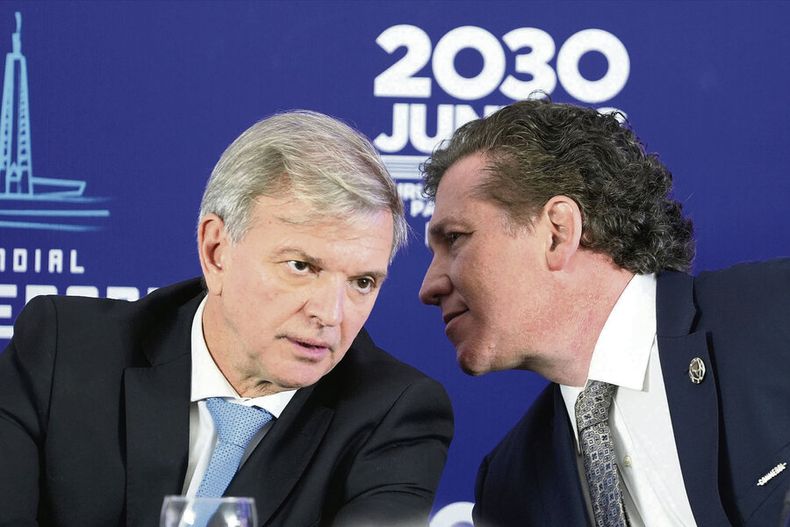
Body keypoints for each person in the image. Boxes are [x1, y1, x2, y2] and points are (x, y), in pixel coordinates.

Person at [0, 110, 453, 526]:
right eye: (302, 266)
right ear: (216, 251)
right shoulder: (66, 350)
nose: (331, 316)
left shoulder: (394, 416)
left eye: (362, 282)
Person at [418, 98, 789, 527]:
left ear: (557, 232)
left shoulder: (775, 313)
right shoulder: (509, 487)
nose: (429, 287)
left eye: (455, 239)